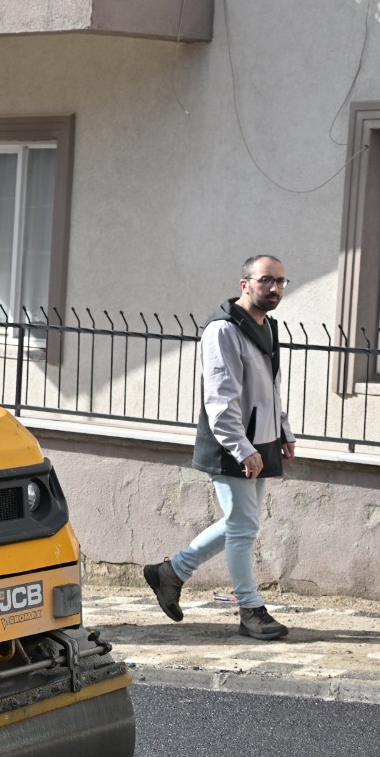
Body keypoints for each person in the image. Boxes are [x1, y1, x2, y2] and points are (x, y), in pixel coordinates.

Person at [143, 255, 297, 641]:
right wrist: (241, 447)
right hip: (233, 443)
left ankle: (171, 572)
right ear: (245, 284)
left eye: (280, 281)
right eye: (266, 280)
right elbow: (220, 399)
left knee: (239, 524)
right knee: (243, 528)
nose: (274, 288)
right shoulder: (223, 331)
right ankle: (249, 610)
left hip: (260, 440)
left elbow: (269, 389)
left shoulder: (267, 327)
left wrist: (283, 432)